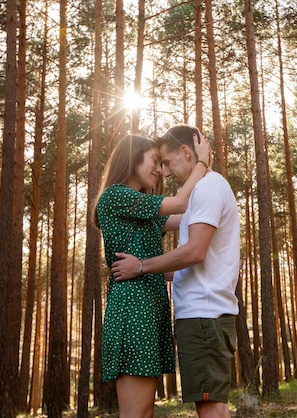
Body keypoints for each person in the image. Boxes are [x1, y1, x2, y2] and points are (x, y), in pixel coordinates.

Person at [111, 124, 240, 418]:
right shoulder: (201, 192)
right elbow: (187, 255)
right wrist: (154, 270)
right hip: (201, 314)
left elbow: (194, 252)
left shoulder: (206, 187)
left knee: (211, 409)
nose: (164, 172)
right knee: (210, 406)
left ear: (185, 152)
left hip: (204, 315)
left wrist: (141, 266)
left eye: (166, 162)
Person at [93, 133, 210, 418]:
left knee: (144, 412)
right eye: (155, 161)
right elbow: (181, 204)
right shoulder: (116, 196)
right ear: (132, 159)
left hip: (149, 309)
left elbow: (188, 217)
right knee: (136, 414)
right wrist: (203, 163)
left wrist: (217, 201)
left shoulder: (141, 209)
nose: (161, 170)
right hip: (133, 310)